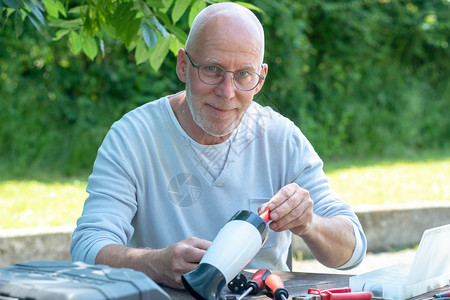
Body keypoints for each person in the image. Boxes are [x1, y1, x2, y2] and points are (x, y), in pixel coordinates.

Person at [70, 2, 366, 290]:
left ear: (260, 79)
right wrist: (155, 263)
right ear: (183, 66)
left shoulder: (281, 138)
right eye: (212, 69)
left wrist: (309, 223)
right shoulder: (133, 137)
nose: (227, 92)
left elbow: (352, 251)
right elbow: (87, 247)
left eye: (243, 75)